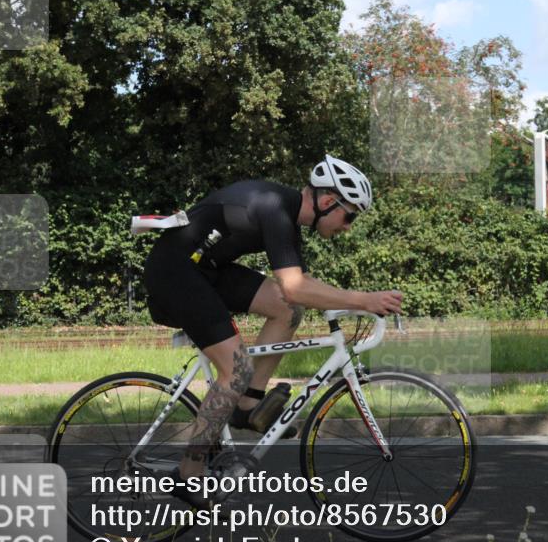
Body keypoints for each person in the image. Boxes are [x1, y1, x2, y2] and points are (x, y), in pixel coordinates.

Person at [143, 155, 402, 507]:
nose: (348, 227)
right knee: (235, 368)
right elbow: (296, 286)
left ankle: (247, 403)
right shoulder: (275, 208)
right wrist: (364, 300)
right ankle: (190, 472)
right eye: (350, 216)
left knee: (286, 309)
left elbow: (298, 288)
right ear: (329, 201)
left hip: (205, 268)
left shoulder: (287, 215)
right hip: (176, 272)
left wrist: (354, 301)